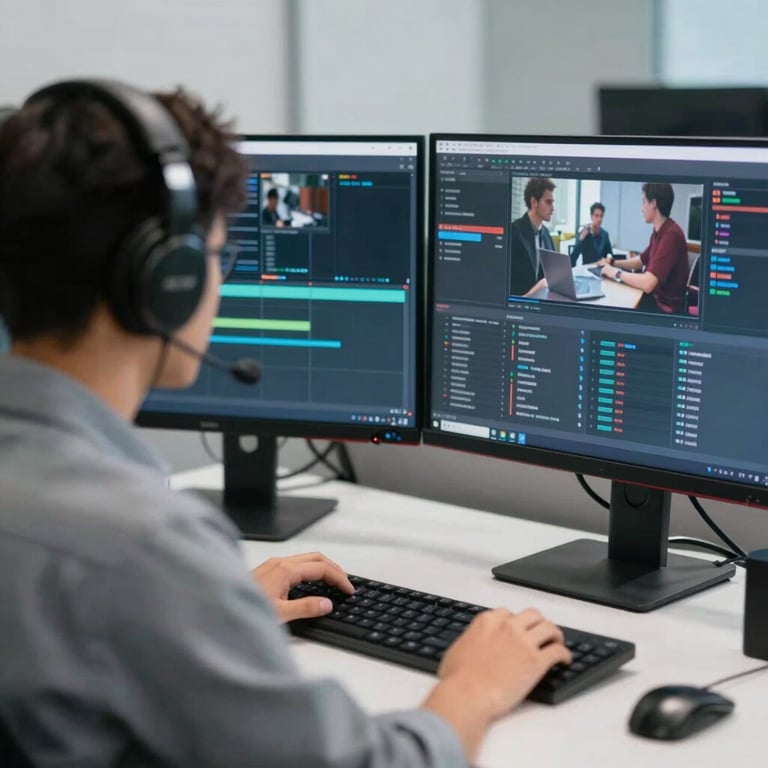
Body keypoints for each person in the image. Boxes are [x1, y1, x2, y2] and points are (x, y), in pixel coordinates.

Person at [0, 80, 570, 767]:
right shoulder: (142, 546)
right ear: (166, 280)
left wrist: (205, 620)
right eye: (216, 256)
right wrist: (472, 688)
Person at [599, 183, 688, 313]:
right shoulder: (659, 232)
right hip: (654, 300)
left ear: (653, 203)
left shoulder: (671, 235)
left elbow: (648, 284)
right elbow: (640, 261)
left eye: (643, 202)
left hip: (665, 308)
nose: (642, 209)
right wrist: (613, 262)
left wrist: (615, 272)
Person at [509, 177, 555, 296]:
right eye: (548, 202)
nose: (553, 208)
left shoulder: (546, 235)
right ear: (534, 202)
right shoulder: (513, 232)